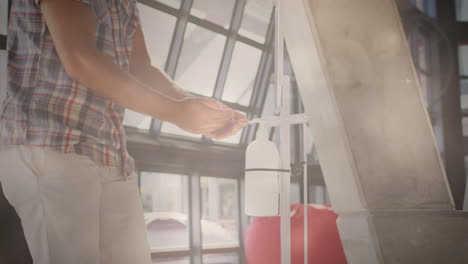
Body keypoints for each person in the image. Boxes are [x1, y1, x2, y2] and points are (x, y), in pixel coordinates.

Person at [0, 0, 248, 263]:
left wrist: (190, 107)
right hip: (51, 142)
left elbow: (139, 66)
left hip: (109, 153)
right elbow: (79, 57)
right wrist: (178, 113)